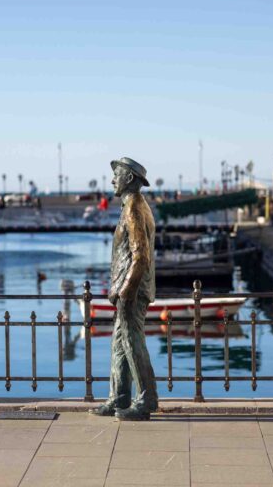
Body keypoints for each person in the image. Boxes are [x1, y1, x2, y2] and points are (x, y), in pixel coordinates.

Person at [90, 157, 158, 420]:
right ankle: (119, 396)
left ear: (129, 178)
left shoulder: (133, 209)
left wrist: (126, 289)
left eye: (116, 175)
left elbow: (140, 255)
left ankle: (146, 400)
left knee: (132, 342)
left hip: (132, 289)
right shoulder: (135, 205)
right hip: (127, 287)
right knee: (119, 343)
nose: (112, 180)